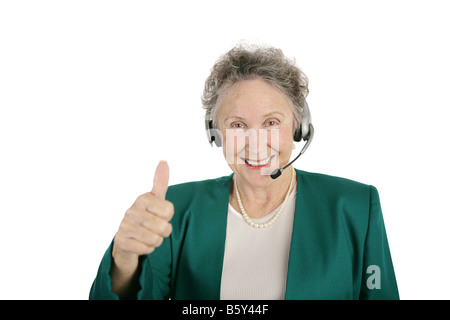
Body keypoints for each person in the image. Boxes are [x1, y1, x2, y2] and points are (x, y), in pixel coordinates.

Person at [89, 44, 399, 300]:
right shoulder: (175, 209)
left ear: (299, 126)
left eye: (271, 122)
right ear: (216, 133)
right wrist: (124, 256)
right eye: (238, 125)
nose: (255, 144)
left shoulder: (357, 206)